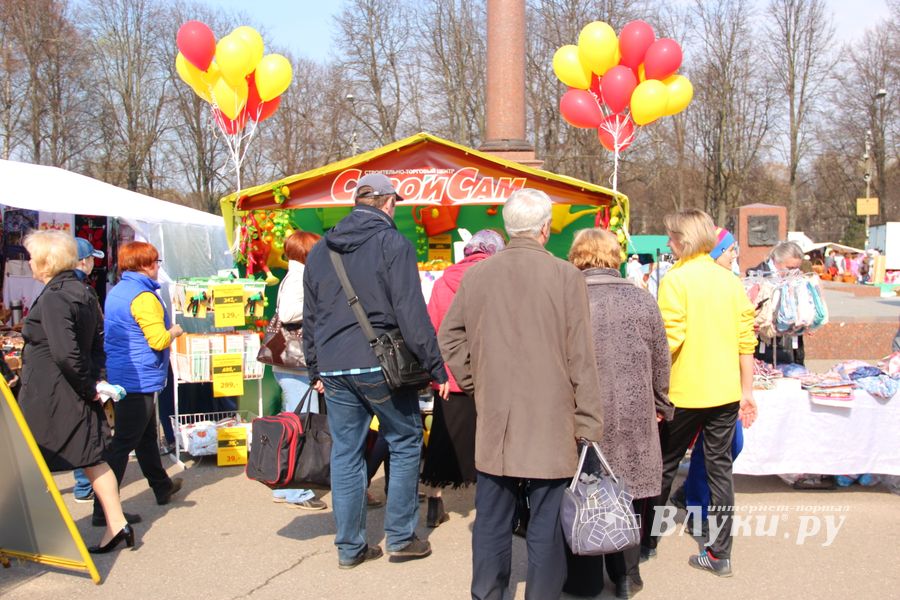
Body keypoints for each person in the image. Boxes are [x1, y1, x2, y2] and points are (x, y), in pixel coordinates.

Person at [439, 189, 605, 600]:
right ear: (545, 229)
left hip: (497, 417)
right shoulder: (565, 276)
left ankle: (487, 594)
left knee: (492, 519)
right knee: (546, 527)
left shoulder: (477, 275)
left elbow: (448, 337)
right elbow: (581, 355)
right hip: (553, 419)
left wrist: (478, 382)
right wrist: (589, 420)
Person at [302, 173, 450, 569]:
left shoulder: (320, 250)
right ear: (387, 203)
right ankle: (401, 538)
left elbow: (311, 316)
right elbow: (411, 312)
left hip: (334, 366)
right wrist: (437, 366)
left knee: (346, 453)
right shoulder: (392, 243)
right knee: (404, 440)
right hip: (379, 363)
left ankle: (350, 548)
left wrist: (315, 366)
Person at [647, 209, 757, 577]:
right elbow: (746, 340)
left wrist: (652, 384)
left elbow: (670, 339)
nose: (668, 243)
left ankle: (647, 542)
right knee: (720, 471)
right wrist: (747, 391)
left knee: (663, 466)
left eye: (671, 237)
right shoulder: (729, 281)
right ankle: (720, 552)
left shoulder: (676, 279)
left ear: (685, 240)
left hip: (686, 392)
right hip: (724, 392)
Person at [564, 228, 672, 600]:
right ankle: (627, 575)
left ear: (576, 256)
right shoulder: (642, 300)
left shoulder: (566, 298)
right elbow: (662, 359)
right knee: (625, 493)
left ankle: (585, 579)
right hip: (633, 412)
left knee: (584, 491)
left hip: (582, 413)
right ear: (614, 256)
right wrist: (661, 403)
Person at [19, 231, 134, 553]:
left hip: (54, 394)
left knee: (31, 459)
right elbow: (97, 346)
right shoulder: (82, 292)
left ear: (45, 260)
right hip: (74, 389)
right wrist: (95, 382)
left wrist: (89, 387)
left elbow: (66, 353)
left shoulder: (57, 296)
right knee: (93, 459)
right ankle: (117, 524)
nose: (29, 262)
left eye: (32, 256)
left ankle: (41, 533)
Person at [93, 241, 184, 528]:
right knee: (123, 444)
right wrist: (176, 331)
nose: (158, 266)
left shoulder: (119, 290)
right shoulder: (144, 297)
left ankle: (161, 486)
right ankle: (103, 509)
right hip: (138, 378)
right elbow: (157, 339)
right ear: (144, 265)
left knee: (144, 437)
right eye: (155, 261)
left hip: (125, 373)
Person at [420, 229, 506, 528]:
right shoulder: (497, 279)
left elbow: (432, 327)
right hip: (490, 374)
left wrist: (437, 371)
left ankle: (434, 503)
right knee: (490, 440)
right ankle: (488, 507)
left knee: (443, 439)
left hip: (450, 376)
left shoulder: (444, 280)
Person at [670, 227, 745, 531]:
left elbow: (742, 335)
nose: (733, 257)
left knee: (728, 448)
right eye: (729, 251)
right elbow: (672, 334)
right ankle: (695, 510)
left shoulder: (729, 284)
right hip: (689, 387)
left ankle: (691, 498)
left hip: (721, 387)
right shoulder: (681, 280)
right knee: (679, 458)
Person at [269, 230, 327, 511]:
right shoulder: (299, 278)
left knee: (294, 420)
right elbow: (289, 314)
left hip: (288, 362)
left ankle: (284, 483)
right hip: (296, 363)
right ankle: (296, 489)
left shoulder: (294, 276)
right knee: (302, 423)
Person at [72, 237, 106, 504]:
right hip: (84, 369)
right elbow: (91, 336)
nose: (93, 263)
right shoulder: (81, 293)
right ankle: (85, 485)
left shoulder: (65, 290)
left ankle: (84, 483)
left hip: (79, 368)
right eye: (91, 258)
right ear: (81, 261)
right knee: (86, 427)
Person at [747, 240, 805, 366]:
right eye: (790, 268)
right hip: (763, 347)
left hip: (791, 348)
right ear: (776, 261)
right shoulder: (755, 277)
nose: (794, 272)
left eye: (797, 268)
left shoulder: (798, 280)